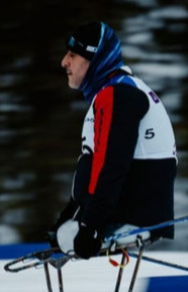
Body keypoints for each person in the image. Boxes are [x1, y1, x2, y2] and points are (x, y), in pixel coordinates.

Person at [51, 21, 177, 259]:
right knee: (65, 233)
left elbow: (111, 166)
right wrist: (68, 218)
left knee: (71, 236)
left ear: (94, 59)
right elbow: (100, 164)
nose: (64, 62)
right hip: (132, 209)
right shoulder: (117, 90)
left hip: (132, 218)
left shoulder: (117, 95)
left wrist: (91, 226)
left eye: (72, 55)